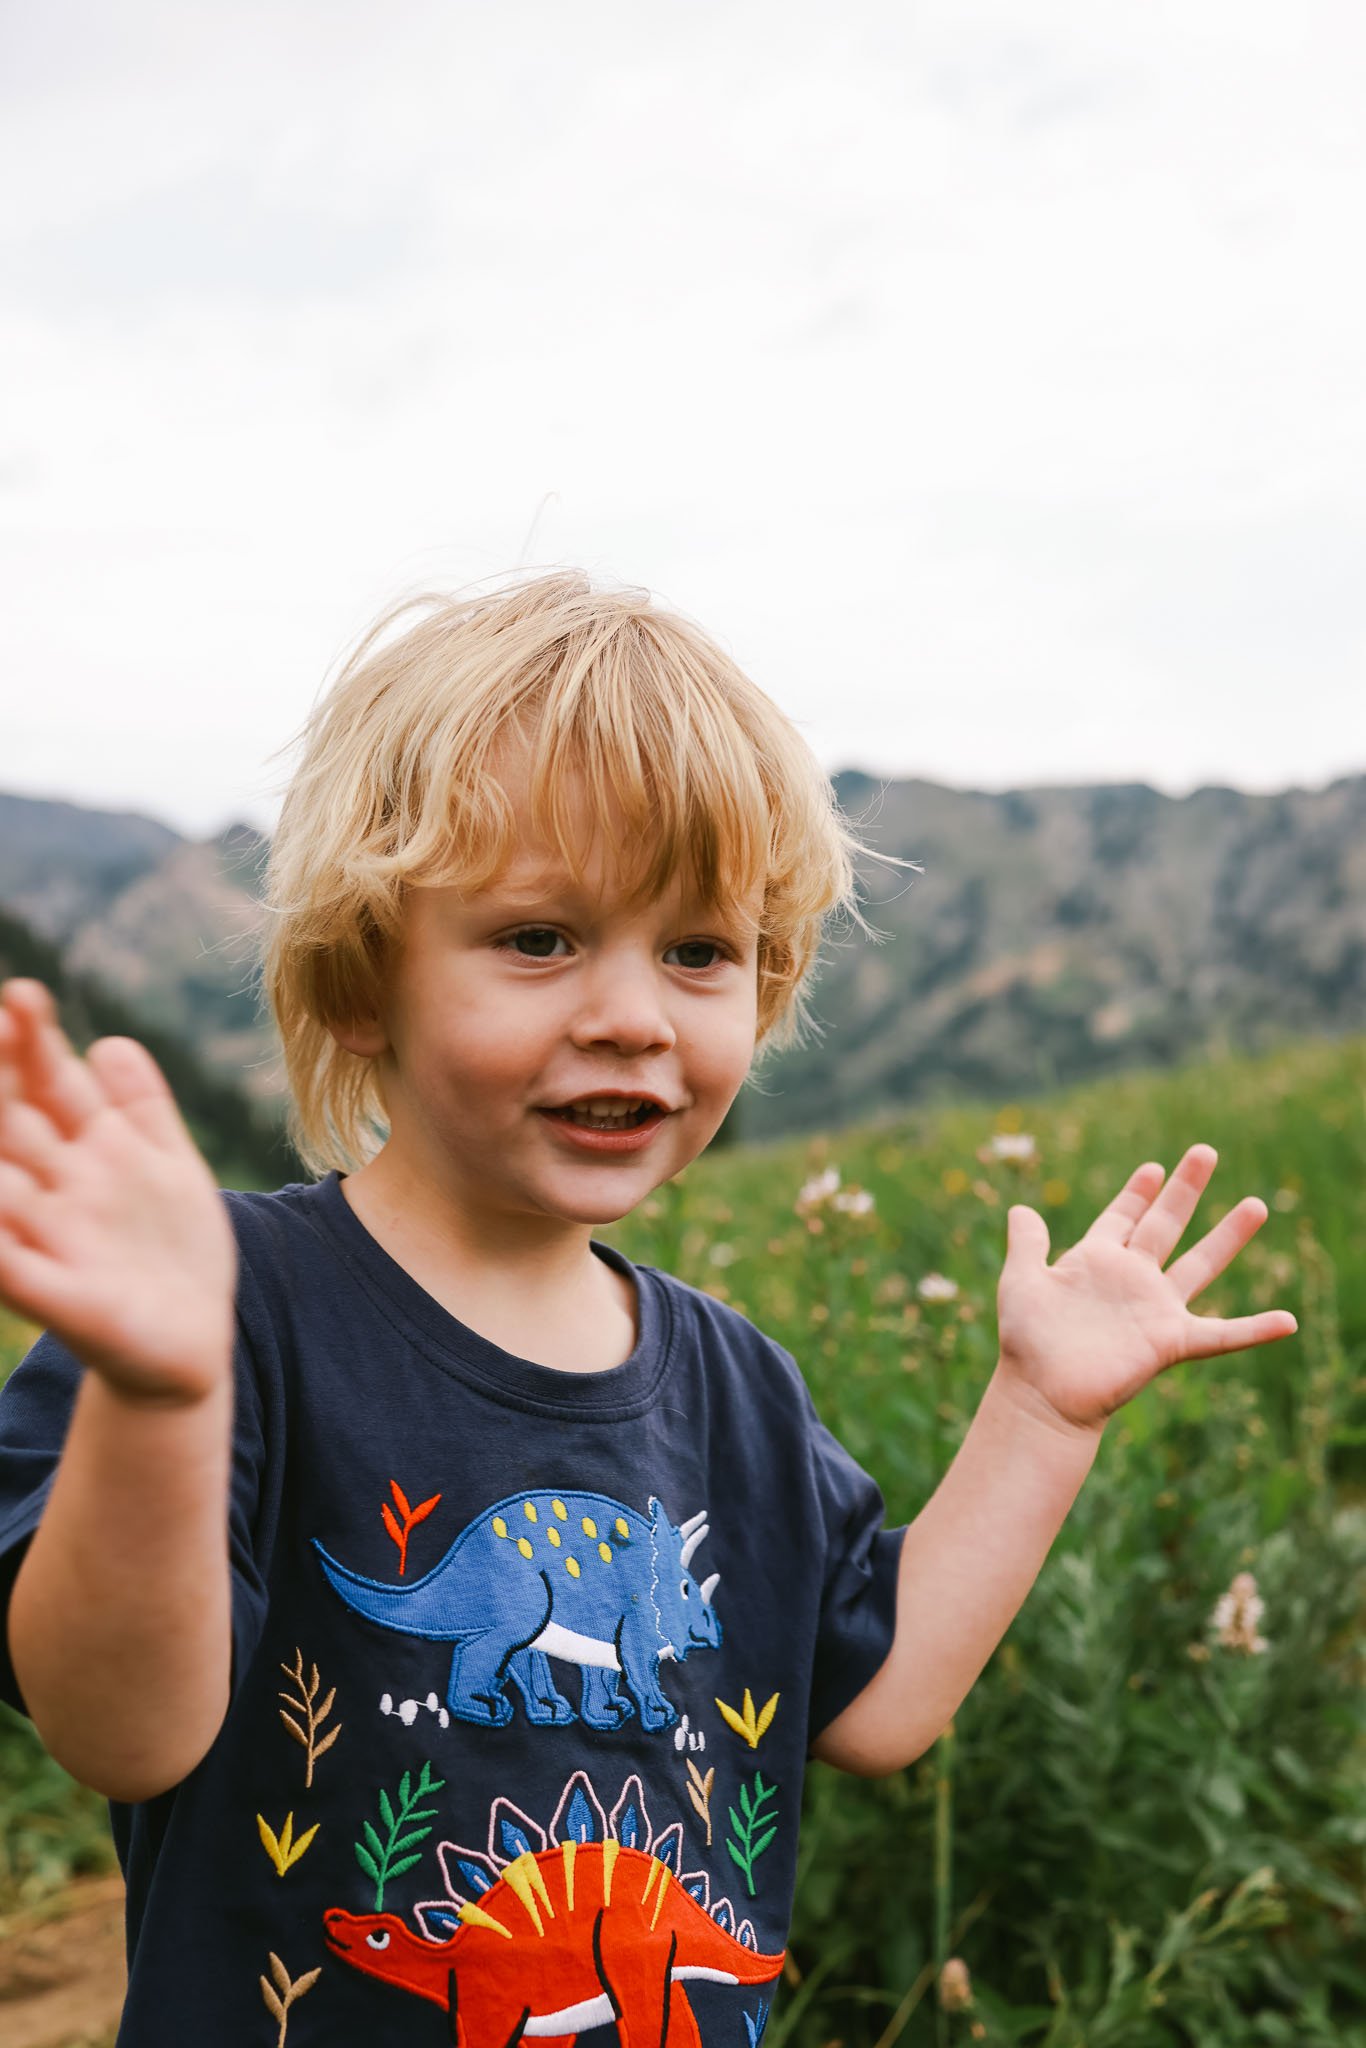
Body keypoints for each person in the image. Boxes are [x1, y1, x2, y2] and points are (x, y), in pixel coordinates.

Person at [0, 571, 1296, 2047]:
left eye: (697, 952)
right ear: (366, 982)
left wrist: (1043, 1413)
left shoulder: (736, 1383)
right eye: (539, 939)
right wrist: (156, 1395)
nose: (633, 1013)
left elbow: (871, 1703)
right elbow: (121, 1730)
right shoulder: (225, 1316)